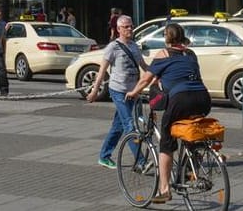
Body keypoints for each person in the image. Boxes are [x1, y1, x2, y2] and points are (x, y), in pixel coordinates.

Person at [126, 22, 211, 204]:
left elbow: (145, 79)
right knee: (191, 130)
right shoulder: (190, 54)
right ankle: (191, 163)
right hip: (203, 98)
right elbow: (181, 72)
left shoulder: (163, 54)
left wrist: (133, 92)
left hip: (181, 99)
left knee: (167, 142)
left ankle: (164, 190)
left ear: (166, 37)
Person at [88, 12, 147, 168]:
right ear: (119, 29)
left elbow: (144, 66)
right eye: (126, 27)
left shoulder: (134, 46)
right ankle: (141, 162)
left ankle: (104, 156)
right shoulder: (113, 47)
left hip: (132, 92)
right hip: (118, 91)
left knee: (118, 126)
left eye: (131, 26)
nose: (130, 29)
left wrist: (157, 77)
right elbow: (102, 71)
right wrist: (95, 91)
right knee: (129, 125)